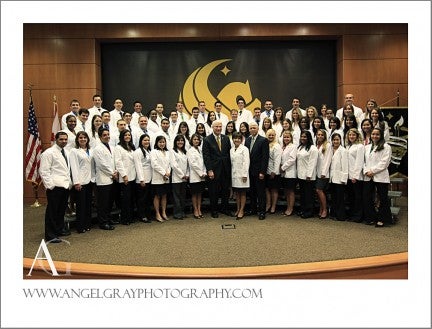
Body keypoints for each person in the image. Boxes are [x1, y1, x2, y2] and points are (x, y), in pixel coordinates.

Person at [39, 131, 72, 242]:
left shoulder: (66, 152)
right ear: (56, 140)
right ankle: (50, 235)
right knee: (52, 212)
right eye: (61, 139)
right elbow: (44, 171)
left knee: (61, 210)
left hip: (65, 186)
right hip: (55, 187)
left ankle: (59, 229)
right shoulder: (49, 153)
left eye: (65, 139)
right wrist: (50, 186)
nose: (64, 141)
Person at [202, 120, 232, 218]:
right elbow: (206, 156)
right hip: (214, 171)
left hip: (225, 170)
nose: (218, 128)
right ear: (212, 127)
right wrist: (209, 170)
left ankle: (225, 208)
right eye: (216, 127)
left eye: (220, 126)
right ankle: (214, 210)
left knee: (225, 191)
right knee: (213, 191)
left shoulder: (226, 138)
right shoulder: (207, 139)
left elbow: (229, 153)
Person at [363, 128, 392, 227]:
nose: (375, 136)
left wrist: (373, 171)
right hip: (368, 176)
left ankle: (382, 219)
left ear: (381, 136)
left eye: (377, 134)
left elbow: (385, 162)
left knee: (382, 198)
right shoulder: (367, 147)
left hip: (380, 175)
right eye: (373, 134)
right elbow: (363, 161)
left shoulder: (386, 147)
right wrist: (366, 171)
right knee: (367, 197)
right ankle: (371, 217)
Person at [93, 128, 118, 230]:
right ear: (100, 137)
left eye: (108, 134)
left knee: (109, 202)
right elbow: (101, 164)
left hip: (112, 178)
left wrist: (115, 171)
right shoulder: (97, 149)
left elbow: (114, 161)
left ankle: (108, 218)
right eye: (104, 135)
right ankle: (103, 222)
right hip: (103, 179)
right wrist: (112, 173)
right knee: (103, 203)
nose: (107, 136)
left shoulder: (111, 147)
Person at [245, 121, 270, 220]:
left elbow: (265, 157)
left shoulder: (263, 140)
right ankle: (253, 209)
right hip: (249, 171)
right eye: (251, 128)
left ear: (258, 129)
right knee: (252, 192)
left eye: (254, 128)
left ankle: (262, 211)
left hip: (259, 171)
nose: (252, 130)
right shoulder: (247, 140)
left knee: (261, 192)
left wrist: (262, 172)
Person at [69, 131, 93, 233]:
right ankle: (80, 226)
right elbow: (74, 168)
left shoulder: (91, 150)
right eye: (80, 138)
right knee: (81, 205)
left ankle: (87, 224)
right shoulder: (74, 151)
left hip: (90, 180)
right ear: (77, 140)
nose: (83, 139)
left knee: (88, 204)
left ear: (87, 139)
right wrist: (76, 182)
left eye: (84, 137)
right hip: (81, 182)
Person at [114, 129, 136, 225]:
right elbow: (118, 162)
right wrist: (124, 175)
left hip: (133, 176)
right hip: (125, 177)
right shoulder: (118, 148)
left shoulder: (131, 146)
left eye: (129, 135)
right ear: (122, 136)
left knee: (131, 198)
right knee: (125, 199)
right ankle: (125, 218)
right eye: (126, 135)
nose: (128, 136)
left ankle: (131, 217)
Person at [296, 130, 318, 219]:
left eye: (305, 137)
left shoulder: (313, 148)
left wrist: (309, 175)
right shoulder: (300, 147)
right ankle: (303, 209)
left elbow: (312, 163)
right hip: (300, 175)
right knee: (303, 194)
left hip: (308, 176)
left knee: (309, 195)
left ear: (309, 138)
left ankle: (309, 211)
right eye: (302, 136)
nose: (303, 138)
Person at [345, 128, 365, 222]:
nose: (351, 136)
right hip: (348, 175)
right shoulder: (348, 146)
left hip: (356, 176)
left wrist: (355, 176)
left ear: (357, 136)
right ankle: (352, 214)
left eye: (353, 135)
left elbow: (359, 162)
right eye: (350, 135)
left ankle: (358, 216)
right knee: (351, 197)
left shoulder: (360, 146)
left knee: (358, 197)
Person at [150, 135, 171, 222]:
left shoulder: (168, 152)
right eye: (160, 142)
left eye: (163, 142)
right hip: (158, 177)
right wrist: (164, 173)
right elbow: (154, 164)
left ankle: (163, 212)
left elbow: (170, 164)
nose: (162, 144)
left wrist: (168, 172)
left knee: (164, 196)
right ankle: (157, 213)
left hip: (166, 178)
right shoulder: (154, 152)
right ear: (156, 143)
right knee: (157, 196)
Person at [230, 132, 250, 220]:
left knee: (242, 193)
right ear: (233, 139)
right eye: (235, 138)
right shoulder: (231, 149)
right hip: (234, 175)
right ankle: (237, 209)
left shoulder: (244, 149)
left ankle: (242, 210)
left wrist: (245, 174)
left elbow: (246, 162)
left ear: (241, 140)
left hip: (242, 175)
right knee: (237, 193)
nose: (236, 140)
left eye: (238, 138)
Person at [133, 134, 152, 223]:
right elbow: (138, 166)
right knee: (141, 199)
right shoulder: (138, 151)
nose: (147, 142)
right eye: (145, 140)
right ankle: (142, 216)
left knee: (147, 198)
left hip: (149, 178)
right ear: (141, 141)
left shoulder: (148, 151)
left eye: (148, 140)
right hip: (142, 179)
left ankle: (147, 214)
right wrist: (141, 179)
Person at [329, 133, 348, 221]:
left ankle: (341, 216)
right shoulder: (330, 149)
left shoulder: (343, 150)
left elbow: (345, 166)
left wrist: (344, 178)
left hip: (340, 178)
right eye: (334, 140)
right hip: (332, 177)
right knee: (334, 197)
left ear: (340, 140)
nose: (336, 141)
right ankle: (334, 214)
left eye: (337, 140)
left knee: (340, 198)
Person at [187, 133, 207, 219]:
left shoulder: (200, 149)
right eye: (194, 139)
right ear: (192, 140)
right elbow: (193, 164)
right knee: (195, 194)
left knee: (200, 194)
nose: (196, 141)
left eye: (198, 139)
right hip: (195, 176)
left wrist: (204, 172)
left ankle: (199, 209)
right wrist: (200, 173)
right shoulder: (190, 150)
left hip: (202, 176)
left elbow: (204, 162)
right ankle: (195, 210)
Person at [170, 135, 189, 220]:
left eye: (182, 140)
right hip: (177, 178)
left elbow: (188, 165)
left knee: (182, 196)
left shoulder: (185, 151)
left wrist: (187, 174)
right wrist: (182, 175)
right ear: (175, 142)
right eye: (178, 140)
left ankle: (182, 212)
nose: (180, 142)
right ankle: (177, 213)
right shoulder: (173, 151)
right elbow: (174, 165)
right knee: (176, 197)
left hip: (185, 178)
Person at [315, 129, 332, 219]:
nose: (320, 136)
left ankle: (325, 209)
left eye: (322, 135)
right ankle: (321, 209)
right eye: (318, 135)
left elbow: (328, 159)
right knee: (318, 191)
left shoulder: (328, 145)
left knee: (319, 190)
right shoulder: (316, 144)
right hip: (316, 171)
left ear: (325, 136)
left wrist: (324, 172)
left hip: (323, 173)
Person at [265, 129, 282, 214]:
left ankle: (273, 206)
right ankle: (268, 204)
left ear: (275, 136)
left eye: (272, 135)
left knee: (274, 190)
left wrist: (274, 172)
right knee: (267, 189)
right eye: (269, 135)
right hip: (266, 171)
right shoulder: (266, 144)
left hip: (273, 172)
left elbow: (277, 160)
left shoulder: (277, 146)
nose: (271, 137)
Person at [280, 131, 297, 216]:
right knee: (286, 191)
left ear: (291, 138)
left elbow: (292, 159)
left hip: (290, 172)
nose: (286, 139)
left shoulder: (293, 147)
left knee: (290, 191)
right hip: (284, 173)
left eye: (288, 137)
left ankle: (291, 208)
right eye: (285, 137)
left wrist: (282, 168)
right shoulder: (283, 147)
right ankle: (288, 207)